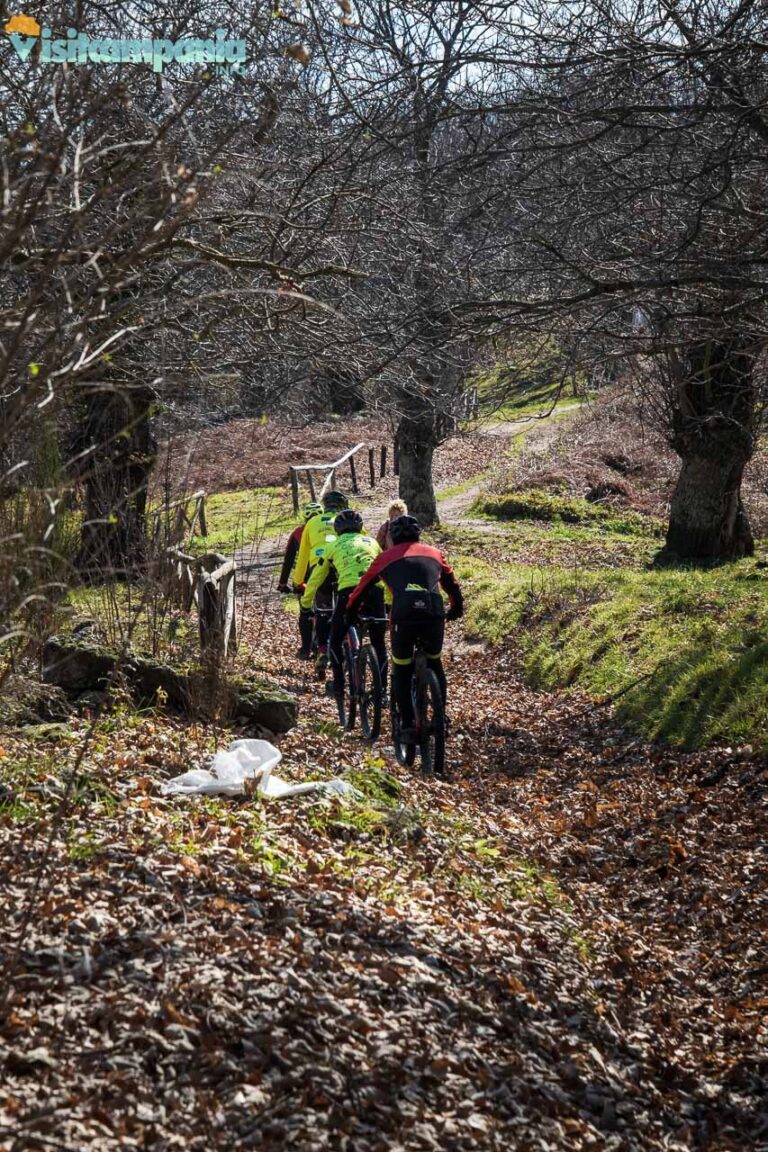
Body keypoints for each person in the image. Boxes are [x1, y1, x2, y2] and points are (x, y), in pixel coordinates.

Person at [346, 515, 463, 744]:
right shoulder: (435, 553)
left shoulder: (384, 558)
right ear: (418, 534)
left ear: (393, 537)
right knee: (434, 662)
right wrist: (457, 608)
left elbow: (362, 589)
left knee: (401, 667)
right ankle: (441, 716)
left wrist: (351, 612)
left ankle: (408, 724)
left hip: (404, 614)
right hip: (433, 613)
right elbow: (452, 585)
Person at [300, 510, 387, 712]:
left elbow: (316, 578)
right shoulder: (372, 543)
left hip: (349, 592)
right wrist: (390, 602)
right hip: (376, 592)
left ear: (338, 530)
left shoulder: (333, 546)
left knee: (336, 639)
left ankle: (339, 685)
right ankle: (381, 692)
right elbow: (386, 569)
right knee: (380, 644)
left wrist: (306, 604)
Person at [292, 490, 348, 673]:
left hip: (319, 569)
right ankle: (349, 647)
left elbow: (303, 556)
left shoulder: (313, 522)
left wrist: (298, 581)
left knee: (323, 611)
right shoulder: (349, 519)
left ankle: (322, 650)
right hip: (344, 568)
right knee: (345, 610)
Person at [278, 501, 322, 658]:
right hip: (327, 576)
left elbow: (289, 560)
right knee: (328, 611)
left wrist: (282, 583)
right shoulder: (330, 528)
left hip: (305, 580)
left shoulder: (298, 532)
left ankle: (306, 648)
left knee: (306, 612)